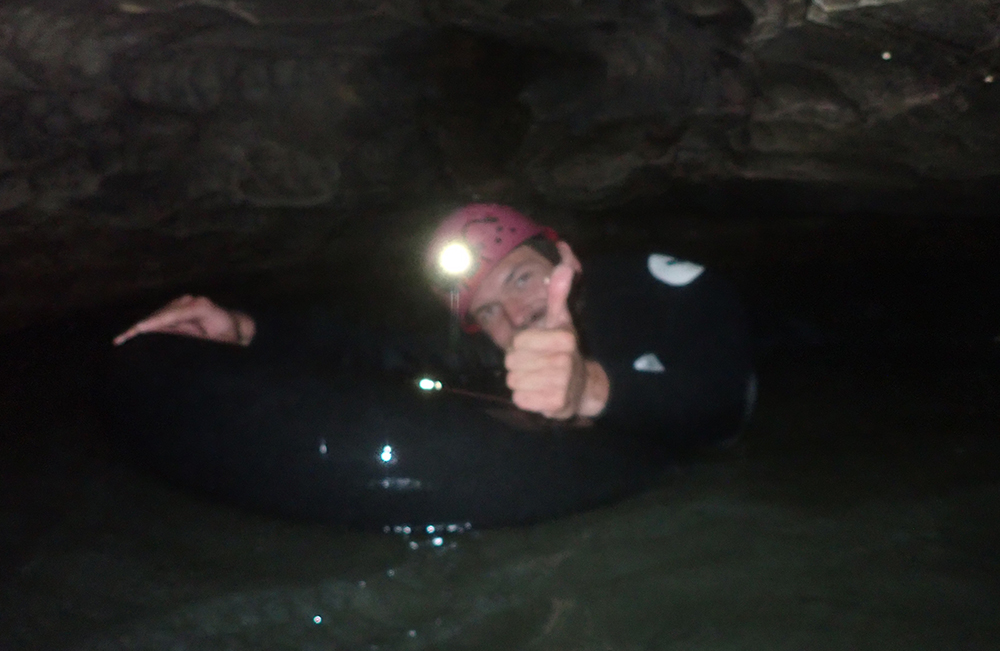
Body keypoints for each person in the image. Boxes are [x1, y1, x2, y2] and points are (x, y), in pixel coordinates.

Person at [113, 203, 755, 433]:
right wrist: (242, 328)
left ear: (565, 258)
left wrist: (588, 388)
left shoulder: (658, 286)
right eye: (489, 311)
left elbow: (727, 399)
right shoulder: (496, 352)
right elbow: (371, 347)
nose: (517, 317)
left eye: (523, 278)